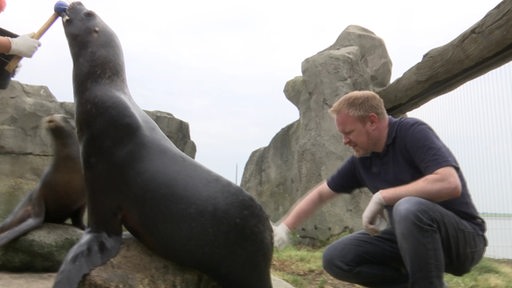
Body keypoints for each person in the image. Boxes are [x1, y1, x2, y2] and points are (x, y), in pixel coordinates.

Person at [273, 90, 487, 288]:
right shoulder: (362, 160)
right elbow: (321, 194)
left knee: (408, 208)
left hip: (463, 241)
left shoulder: (411, 132)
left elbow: (449, 183)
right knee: (337, 258)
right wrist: (284, 228)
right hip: (409, 243)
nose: (345, 141)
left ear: (372, 121)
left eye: (349, 132)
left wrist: (383, 196)